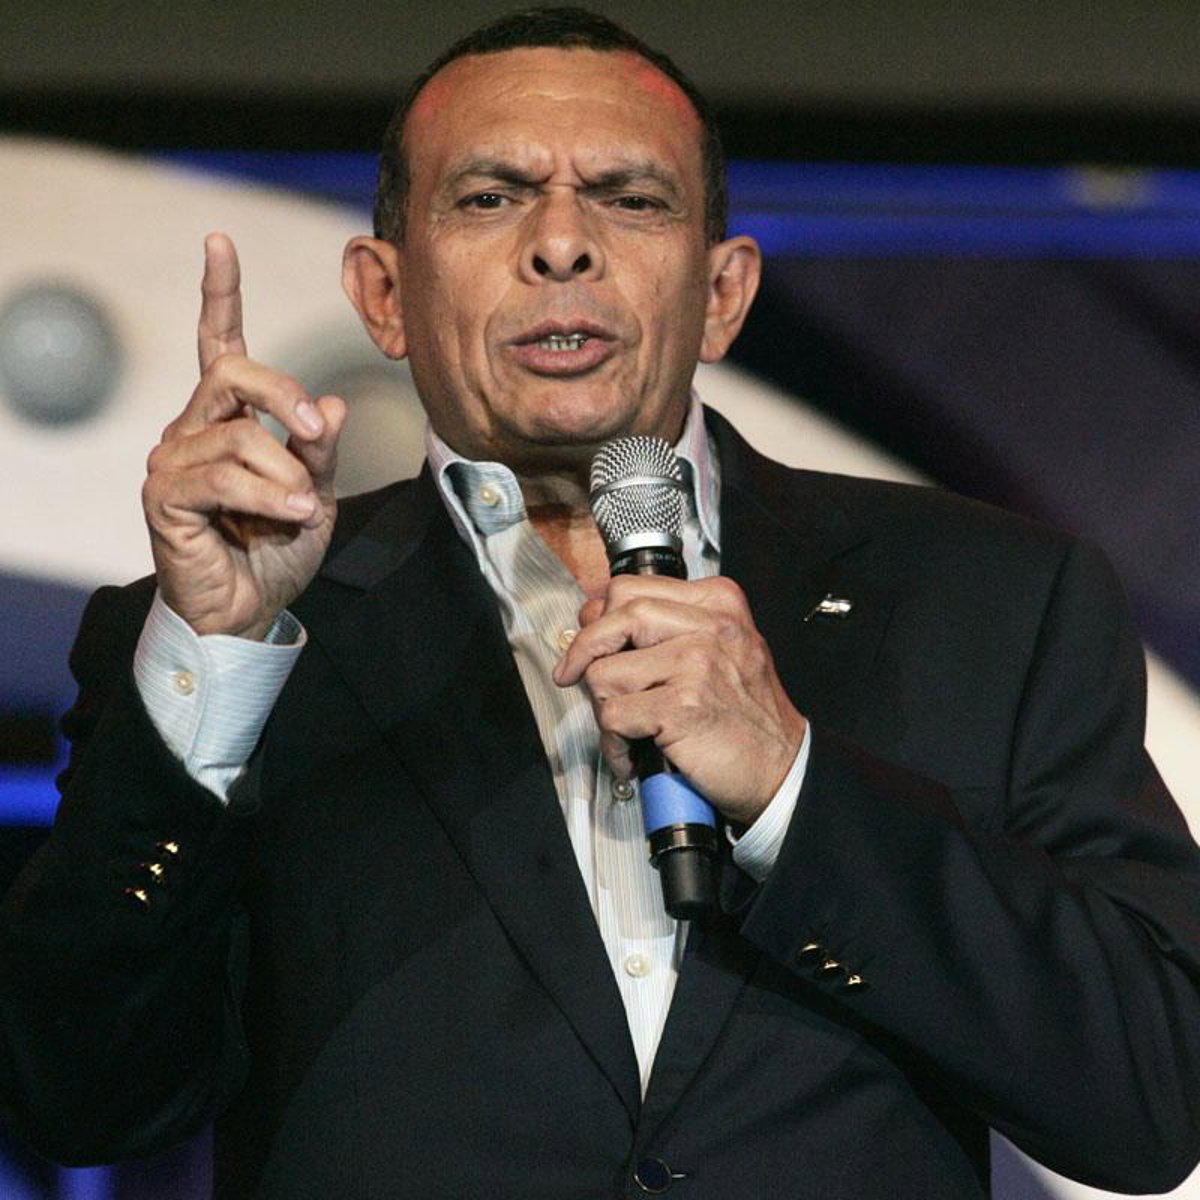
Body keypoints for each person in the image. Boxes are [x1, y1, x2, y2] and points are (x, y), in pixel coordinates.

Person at [3, 8, 1199, 1198]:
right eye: (490, 198)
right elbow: (82, 1094)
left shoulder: (991, 601)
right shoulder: (248, 637)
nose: (563, 245)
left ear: (724, 293)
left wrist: (793, 787)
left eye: (630, 199)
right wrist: (220, 660)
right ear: (383, 293)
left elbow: (1152, 1098)